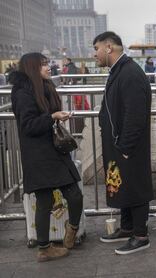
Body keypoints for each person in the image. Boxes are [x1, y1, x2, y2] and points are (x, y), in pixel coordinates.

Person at [10, 53, 83, 262]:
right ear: (32, 68)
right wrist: (52, 116)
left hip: (53, 151)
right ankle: (44, 248)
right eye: (43, 65)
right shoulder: (22, 93)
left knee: (74, 195)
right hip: (38, 155)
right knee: (44, 201)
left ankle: (72, 229)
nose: (48, 67)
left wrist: (57, 115)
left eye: (47, 63)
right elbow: (29, 125)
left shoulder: (44, 86)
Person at [94, 32, 153, 255]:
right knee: (124, 186)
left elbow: (135, 114)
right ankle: (128, 228)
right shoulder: (119, 71)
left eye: (97, 49)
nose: (95, 55)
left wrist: (126, 146)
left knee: (135, 186)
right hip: (118, 144)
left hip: (129, 146)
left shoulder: (130, 73)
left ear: (109, 47)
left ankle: (140, 235)